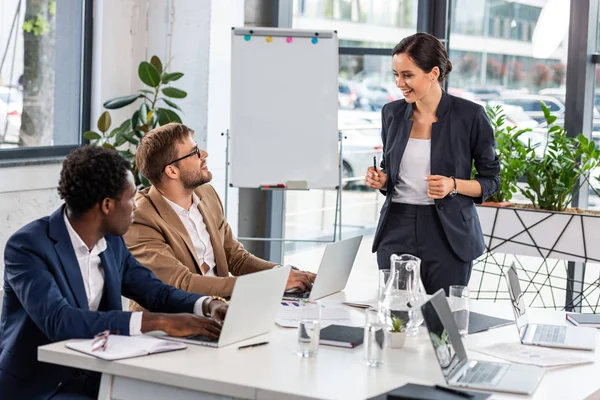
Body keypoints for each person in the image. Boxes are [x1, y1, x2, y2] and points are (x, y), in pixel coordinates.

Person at [0, 146, 228, 400]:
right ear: (107, 205)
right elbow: (60, 321)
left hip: (100, 374)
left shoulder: (111, 241)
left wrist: (206, 304)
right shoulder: (28, 246)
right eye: (131, 198)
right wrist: (159, 322)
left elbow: (153, 291)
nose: (137, 207)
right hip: (43, 387)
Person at [123, 123, 315, 310]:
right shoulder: (141, 217)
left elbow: (236, 258)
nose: (204, 155)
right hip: (174, 322)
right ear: (172, 171)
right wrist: (269, 283)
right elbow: (182, 283)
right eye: (195, 152)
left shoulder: (207, 195)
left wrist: (283, 274)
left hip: (223, 311)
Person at [365, 33, 500, 295]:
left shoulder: (470, 116)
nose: (399, 83)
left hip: (448, 235)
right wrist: (382, 180)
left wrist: (452, 185)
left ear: (433, 73)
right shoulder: (391, 114)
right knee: (397, 320)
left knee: (441, 325)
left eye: (407, 75)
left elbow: (491, 181)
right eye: (395, 74)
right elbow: (391, 172)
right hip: (397, 227)